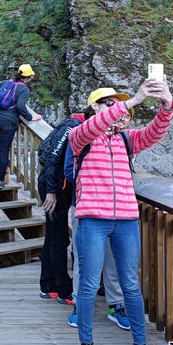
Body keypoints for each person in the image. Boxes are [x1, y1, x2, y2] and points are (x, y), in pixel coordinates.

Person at [69, 81, 173, 345]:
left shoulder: (126, 139)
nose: (118, 109)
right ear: (94, 107)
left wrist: (166, 104)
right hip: (92, 220)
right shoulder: (81, 135)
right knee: (89, 284)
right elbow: (94, 126)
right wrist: (132, 101)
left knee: (130, 284)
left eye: (120, 105)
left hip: (126, 219)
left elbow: (155, 132)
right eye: (109, 103)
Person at [64, 113, 131, 331]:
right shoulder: (81, 135)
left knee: (113, 261)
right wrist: (97, 182)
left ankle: (115, 306)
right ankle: (80, 307)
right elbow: (69, 170)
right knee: (84, 262)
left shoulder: (122, 139)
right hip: (86, 208)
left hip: (117, 211)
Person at [37, 114, 82, 306]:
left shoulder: (73, 123)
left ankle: (48, 285)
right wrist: (51, 191)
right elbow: (52, 159)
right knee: (59, 238)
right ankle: (64, 290)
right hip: (55, 189)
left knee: (53, 236)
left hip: (58, 187)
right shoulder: (73, 127)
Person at [0, 64, 43, 190]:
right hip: (8, 122)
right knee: (3, 150)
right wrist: (30, 117)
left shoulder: (5, 82)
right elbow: (20, 106)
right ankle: (0, 180)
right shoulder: (24, 89)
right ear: (28, 77)